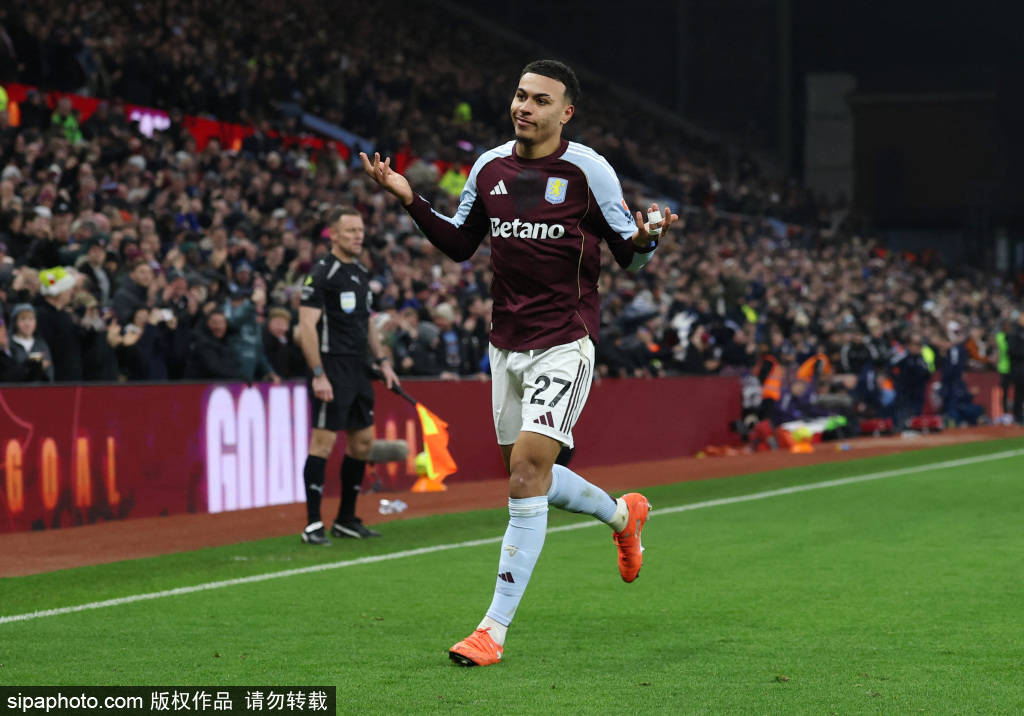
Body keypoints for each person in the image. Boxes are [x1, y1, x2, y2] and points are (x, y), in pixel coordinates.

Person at [361, 59, 677, 667]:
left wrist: (647, 239)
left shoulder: (588, 170)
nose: (524, 107)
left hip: (565, 338)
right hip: (504, 344)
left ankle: (492, 630)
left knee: (527, 473)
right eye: (520, 95)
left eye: (540, 100)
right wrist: (408, 199)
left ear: (566, 113)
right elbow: (460, 244)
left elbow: (628, 256)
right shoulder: (489, 167)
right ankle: (623, 515)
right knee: (530, 474)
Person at [297, 206, 399, 545]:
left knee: (363, 442)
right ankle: (313, 524)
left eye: (361, 230)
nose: (359, 236)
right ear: (334, 235)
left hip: (358, 368)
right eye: (351, 231)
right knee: (323, 443)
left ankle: (345, 519)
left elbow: (367, 322)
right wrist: (318, 374)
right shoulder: (321, 274)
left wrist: (382, 361)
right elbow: (306, 327)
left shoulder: (359, 271)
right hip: (331, 366)